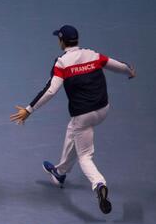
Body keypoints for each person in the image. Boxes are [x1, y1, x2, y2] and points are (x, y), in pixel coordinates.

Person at [10, 25, 136, 214]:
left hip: (83, 115)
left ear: (61, 41)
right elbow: (116, 64)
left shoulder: (62, 62)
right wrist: (129, 71)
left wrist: (29, 110)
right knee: (74, 131)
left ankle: (99, 184)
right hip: (103, 109)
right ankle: (60, 173)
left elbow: (51, 90)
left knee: (85, 155)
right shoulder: (93, 55)